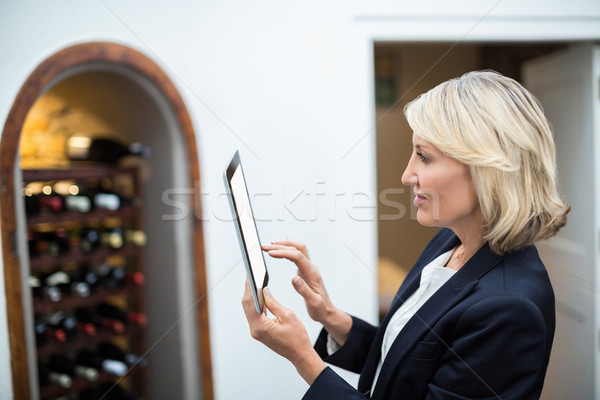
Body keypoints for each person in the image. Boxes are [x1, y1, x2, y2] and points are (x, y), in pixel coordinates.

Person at [242, 70, 570, 399]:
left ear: (487, 171)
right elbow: (405, 361)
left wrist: (303, 359)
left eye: (424, 157)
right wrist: (329, 316)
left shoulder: (509, 309)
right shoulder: (450, 241)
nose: (407, 174)